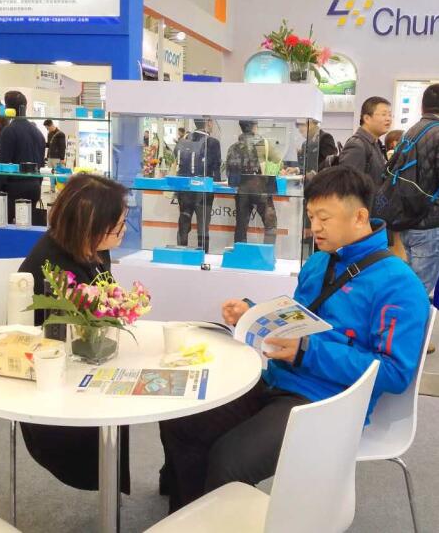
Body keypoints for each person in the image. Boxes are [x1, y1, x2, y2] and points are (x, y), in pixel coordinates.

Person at [159, 167, 429, 514]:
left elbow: (394, 373)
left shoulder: (399, 285)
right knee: (184, 420)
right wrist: (252, 313)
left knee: (229, 461)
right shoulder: (318, 262)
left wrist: (307, 352)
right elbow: (300, 320)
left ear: (360, 217)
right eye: (311, 216)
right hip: (277, 381)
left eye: (324, 218)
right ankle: (189, 515)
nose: (314, 227)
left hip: (327, 402)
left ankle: (208, 515)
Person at [18, 173, 131, 493]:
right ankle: (105, 481)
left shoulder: (92, 249)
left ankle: (114, 480)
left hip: (90, 356)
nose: (123, 232)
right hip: (54, 379)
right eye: (117, 226)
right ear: (90, 226)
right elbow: (61, 337)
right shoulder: (52, 267)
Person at [398, 84, 439, 297]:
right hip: (429, 223)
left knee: (411, 285)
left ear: (423, 106)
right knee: (420, 293)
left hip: (408, 219)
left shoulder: (411, 131)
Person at [0, 91, 46, 223]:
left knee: (9, 227)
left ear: (8, 109)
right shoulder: (38, 132)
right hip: (34, 187)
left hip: (14, 188)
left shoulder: (9, 131)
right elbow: (41, 164)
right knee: (27, 225)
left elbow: (3, 164)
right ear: (25, 107)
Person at [225, 120, 278, 244]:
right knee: (270, 224)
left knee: (241, 226)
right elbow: (277, 165)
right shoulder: (264, 145)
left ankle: (241, 253)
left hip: (242, 191)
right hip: (262, 190)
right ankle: (267, 252)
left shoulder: (233, 148)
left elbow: (229, 173)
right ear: (254, 127)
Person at [175, 118, 221, 253]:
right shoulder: (213, 143)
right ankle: (202, 256)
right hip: (203, 191)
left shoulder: (183, 140)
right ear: (209, 122)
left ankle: (181, 253)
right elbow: (216, 168)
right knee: (203, 227)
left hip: (184, 190)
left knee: (184, 223)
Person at [339, 96, 392, 187]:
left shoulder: (375, 143)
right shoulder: (357, 145)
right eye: (384, 114)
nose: (388, 119)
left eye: (390, 115)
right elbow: (349, 186)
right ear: (367, 118)